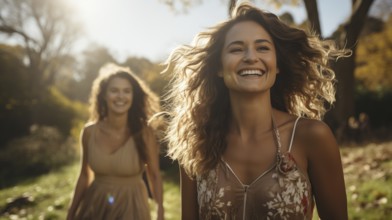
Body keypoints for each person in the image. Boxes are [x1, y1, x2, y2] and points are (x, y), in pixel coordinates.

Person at [164, 2, 349, 219]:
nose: (251, 57)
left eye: (262, 48)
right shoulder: (197, 143)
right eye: (236, 49)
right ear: (219, 68)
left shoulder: (311, 136)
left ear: (277, 64)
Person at [67, 64, 164, 220]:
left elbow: (154, 175)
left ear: (133, 96)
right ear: (104, 95)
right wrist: (71, 213)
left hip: (132, 207)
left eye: (127, 91)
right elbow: (85, 175)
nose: (121, 96)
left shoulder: (145, 133)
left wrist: (160, 211)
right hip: (95, 206)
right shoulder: (89, 132)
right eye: (114, 90)